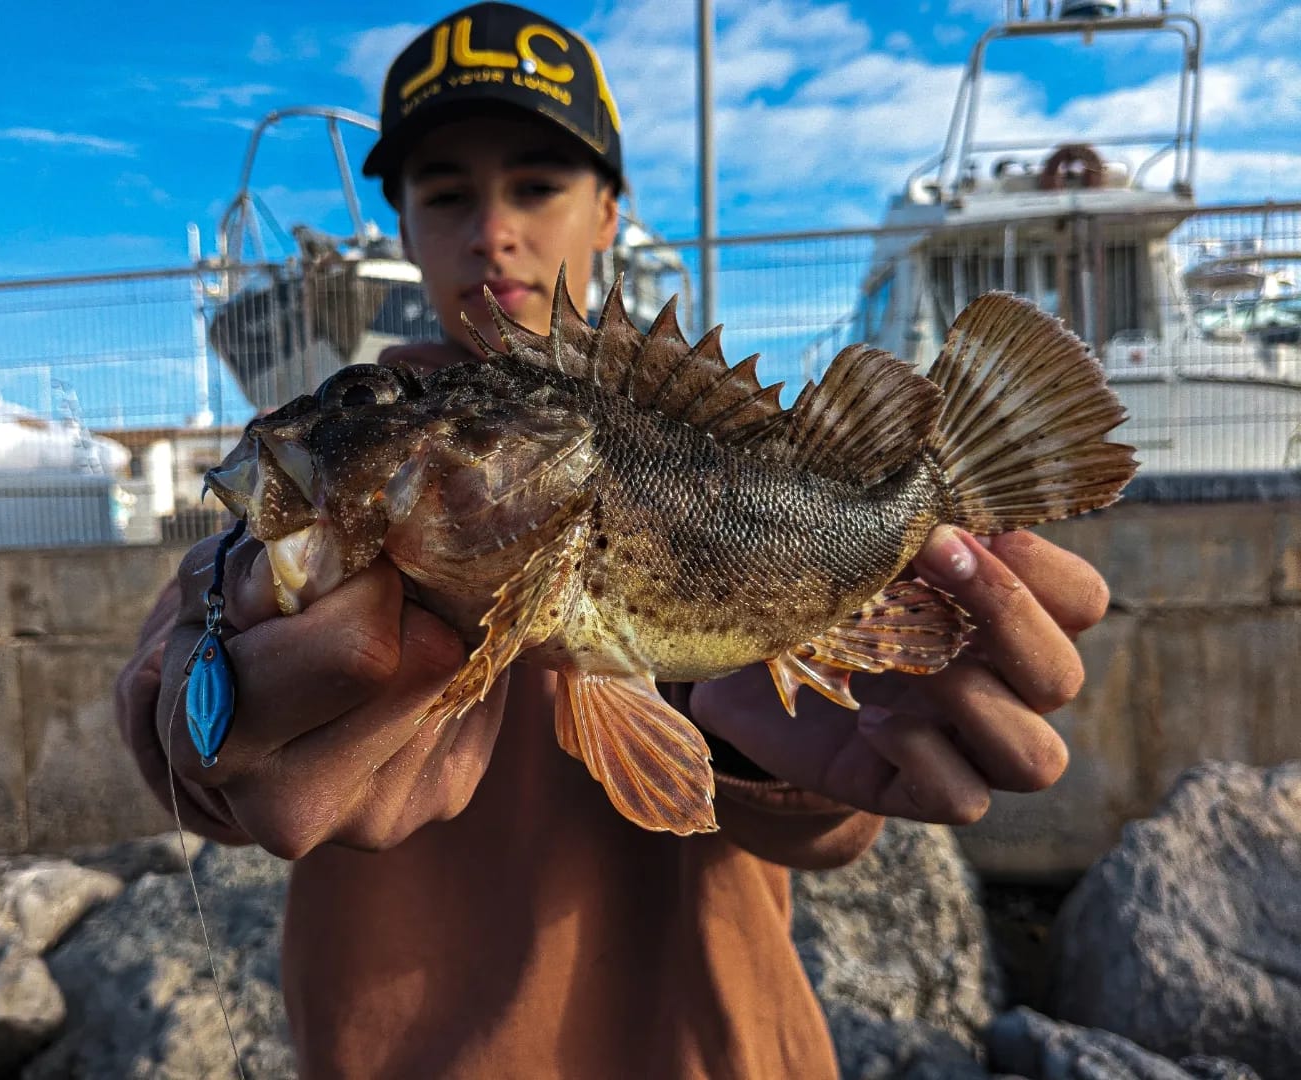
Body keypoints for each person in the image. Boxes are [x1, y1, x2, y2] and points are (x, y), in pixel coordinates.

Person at [116, 4, 1109, 1076]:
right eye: (446, 193)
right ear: (401, 225)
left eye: (537, 185)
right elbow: (174, 693)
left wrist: (782, 764)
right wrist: (218, 705)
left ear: (608, 212)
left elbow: (807, 819)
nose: (493, 230)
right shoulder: (336, 499)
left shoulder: (687, 444)